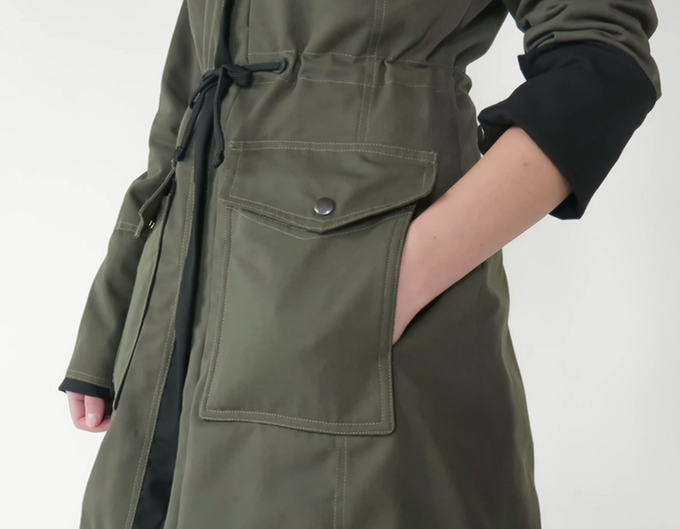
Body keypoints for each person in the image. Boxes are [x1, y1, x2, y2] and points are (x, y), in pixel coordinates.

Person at [58, 0, 662, 527]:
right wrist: (114, 323)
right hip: (170, 343)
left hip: (357, 339)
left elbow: (603, 58)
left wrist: (389, 284)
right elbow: (183, 113)